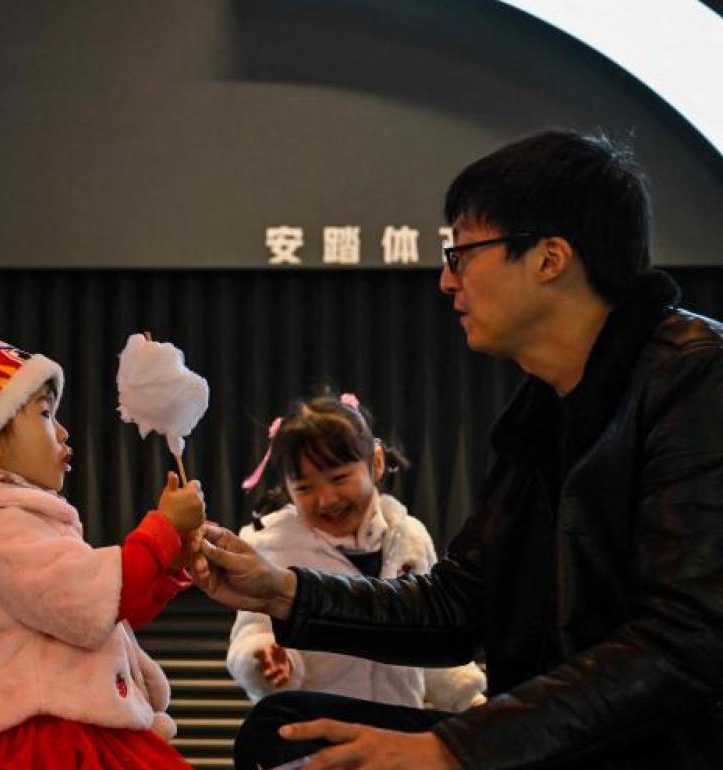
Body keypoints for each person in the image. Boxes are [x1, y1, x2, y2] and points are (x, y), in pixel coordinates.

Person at [192, 130, 723, 770]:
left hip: (659, 749)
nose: (446, 280)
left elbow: (685, 642)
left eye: (461, 252)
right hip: (561, 738)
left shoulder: (697, 379)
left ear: (550, 258)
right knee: (281, 729)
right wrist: (281, 591)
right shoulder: (542, 410)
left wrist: (456, 748)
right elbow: (457, 603)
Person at [0, 244, 205, 768]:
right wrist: (162, 530)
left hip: (56, 726)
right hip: (42, 741)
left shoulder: (8, 516)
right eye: (43, 413)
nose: (61, 431)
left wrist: (170, 561)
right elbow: (87, 602)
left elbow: (106, 610)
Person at [227, 394, 485, 712]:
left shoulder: (410, 538)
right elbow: (253, 629)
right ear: (286, 486)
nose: (326, 499)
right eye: (305, 488)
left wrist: (467, 698)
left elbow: (432, 635)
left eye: (339, 478)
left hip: (398, 739)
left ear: (375, 463)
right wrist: (263, 657)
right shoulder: (272, 546)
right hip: (311, 739)